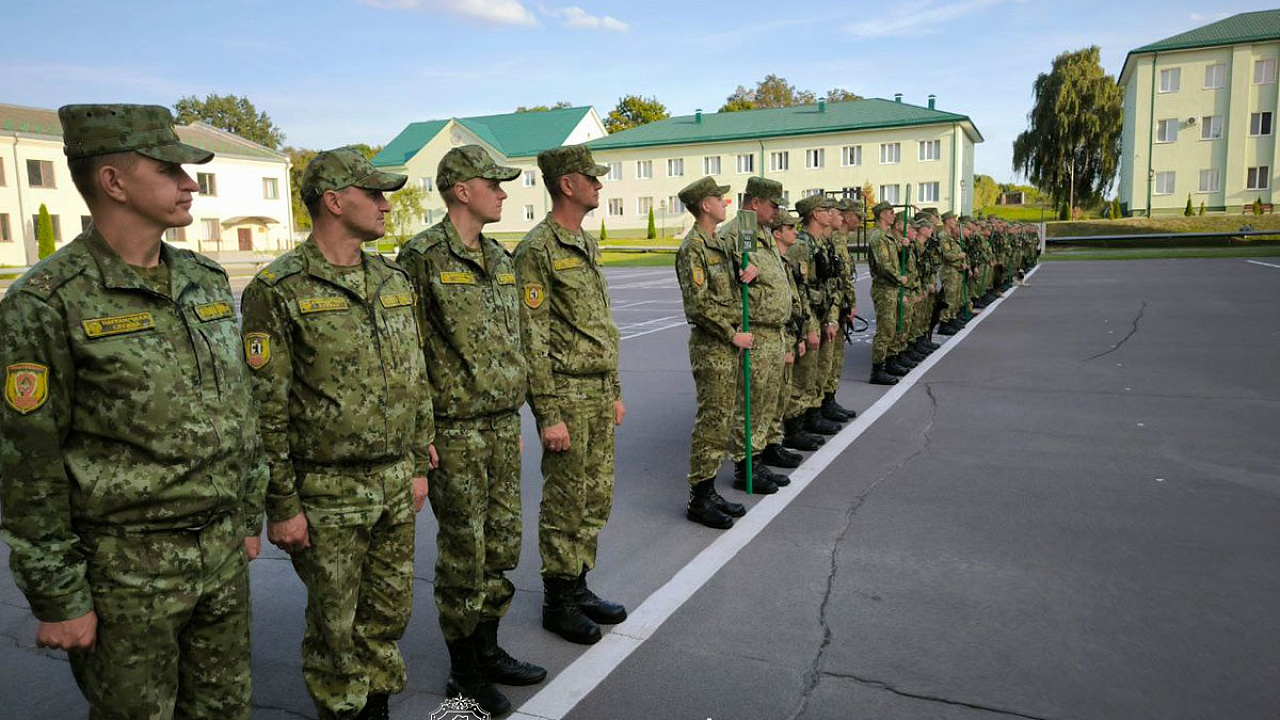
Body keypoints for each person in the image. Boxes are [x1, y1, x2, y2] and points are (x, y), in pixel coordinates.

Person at [0, 103, 266, 720]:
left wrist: (250, 511)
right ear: (113, 183)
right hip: (126, 573)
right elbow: (27, 466)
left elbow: (239, 409)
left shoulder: (202, 279)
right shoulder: (47, 302)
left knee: (227, 710)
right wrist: (59, 595)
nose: (189, 183)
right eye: (169, 169)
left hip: (222, 554)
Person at [241, 147, 435, 720]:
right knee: (336, 630)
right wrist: (281, 505)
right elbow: (264, 411)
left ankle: (375, 708)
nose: (384, 204)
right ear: (333, 200)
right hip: (327, 493)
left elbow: (414, 374)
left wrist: (420, 467)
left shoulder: (392, 279)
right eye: (373, 194)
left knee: (387, 615)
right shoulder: (278, 290)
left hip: (396, 481)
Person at [396, 145, 544, 715]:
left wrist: (520, 411)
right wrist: (420, 435)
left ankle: (489, 648)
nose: (504, 192)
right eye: (495, 184)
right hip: (453, 430)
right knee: (465, 549)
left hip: (501, 424)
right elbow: (406, 353)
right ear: (462, 190)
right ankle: (464, 671)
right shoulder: (422, 257)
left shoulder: (499, 258)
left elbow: (514, 342)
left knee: (502, 542)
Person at [514, 144, 627, 646]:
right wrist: (548, 414)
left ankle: (579, 585)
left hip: (599, 392)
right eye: (592, 178)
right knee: (565, 501)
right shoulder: (538, 249)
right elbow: (532, 338)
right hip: (567, 394)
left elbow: (599, 324)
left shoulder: (584, 242)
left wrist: (616, 389)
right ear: (567, 184)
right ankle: (557, 599)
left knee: (595, 497)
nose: (599, 185)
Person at [673, 176, 754, 529]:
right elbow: (698, 306)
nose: (725, 203)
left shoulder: (717, 244)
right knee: (712, 420)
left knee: (723, 419)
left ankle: (709, 488)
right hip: (713, 346)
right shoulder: (693, 248)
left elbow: (728, 288)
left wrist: (746, 274)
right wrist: (731, 333)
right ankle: (699, 496)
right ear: (705, 205)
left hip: (727, 344)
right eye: (719, 199)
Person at [717, 176, 792, 494]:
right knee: (751, 402)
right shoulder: (736, 234)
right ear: (755, 203)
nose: (777, 212)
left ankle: (758, 458)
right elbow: (724, 281)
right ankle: (745, 467)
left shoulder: (759, 232)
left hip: (774, 333)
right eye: (773, 205)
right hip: (755, 332)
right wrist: (744, 275)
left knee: (766, 402)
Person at [867, 201, 909, 384]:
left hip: (892, 288)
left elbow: (895, 255)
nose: (893, 215)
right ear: (882, 215)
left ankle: (891, 361)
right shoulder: (878, 238)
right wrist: (899, 278)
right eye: (891, 212)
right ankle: (877, 370)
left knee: (892, 328)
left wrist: (903, 245)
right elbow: (884, 265)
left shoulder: (888, 237)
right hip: (884, 288)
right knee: (885, 330)